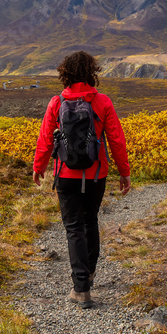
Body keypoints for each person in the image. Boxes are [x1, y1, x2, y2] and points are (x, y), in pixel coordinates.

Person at [33, 51, 131, 309]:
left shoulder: (56, 102)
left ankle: (81, 290)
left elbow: (45, 139)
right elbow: (116, 140)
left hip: (66, 175)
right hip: (96, 174)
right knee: (90, 222)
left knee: (74, 228)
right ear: (92, 72)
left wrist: (38, 166)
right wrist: (124, 172)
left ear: (65, 73)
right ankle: (88, 275)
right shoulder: (103, 102)